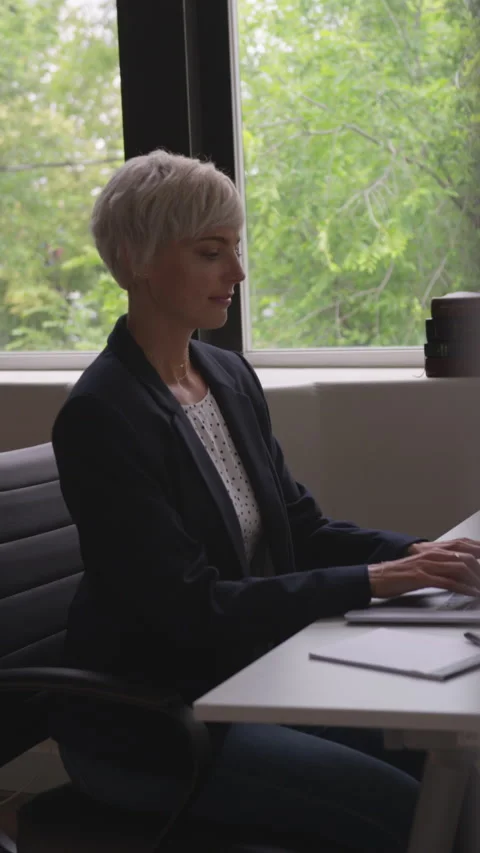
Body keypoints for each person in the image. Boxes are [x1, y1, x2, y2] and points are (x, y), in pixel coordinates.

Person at [50, 149, 480, 853]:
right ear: (138, 263)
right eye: (210, 252)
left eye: (236, 248)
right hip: (155, 725)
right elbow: (189, 607)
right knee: (407, 809)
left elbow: (300, 527)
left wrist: (414, 554)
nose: (238, 274)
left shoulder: (223, 373)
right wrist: (373, 581)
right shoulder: (102, 415)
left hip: (246, 681)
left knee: (453, 775)